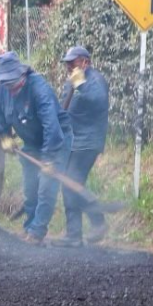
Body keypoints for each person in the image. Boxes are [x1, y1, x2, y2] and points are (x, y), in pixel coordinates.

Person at [0, 51, 71, 244]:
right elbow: (1, 117)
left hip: (56, 141)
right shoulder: (4, 88)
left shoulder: (39, 89)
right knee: (30, 187)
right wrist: (6, 138)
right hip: (31, 143)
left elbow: (51, 128)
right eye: (5, 83)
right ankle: (29, 226)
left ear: (21, 75)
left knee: (46, 186)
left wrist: (49, 159)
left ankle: (37, 232)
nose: (9, 88)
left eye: (12, 82)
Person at [52, 45, 110, 247]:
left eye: (72, 62)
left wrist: (80, 84)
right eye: (67, 63)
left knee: (71, 183)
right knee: (70, 184)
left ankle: (96, 223)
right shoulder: (73, 81)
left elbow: (99, 100)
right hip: (73, 141)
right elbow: (64, 108)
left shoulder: (94, 80)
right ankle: (74, 235)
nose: (68, 66)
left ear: (85, 62)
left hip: (88, 142)